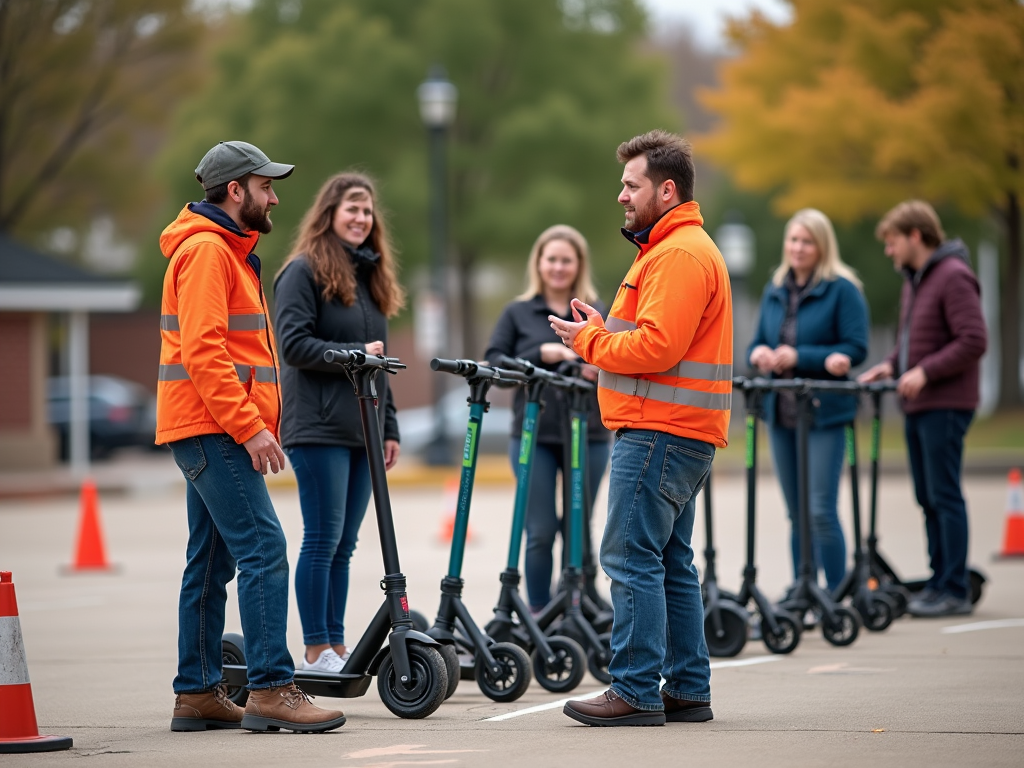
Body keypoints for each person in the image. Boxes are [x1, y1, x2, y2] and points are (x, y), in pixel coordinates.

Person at [158, 140, 345, 733]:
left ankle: (198, 692)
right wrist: (251, 430)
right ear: (235, 190)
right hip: (214, 425)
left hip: (210, 423)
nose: (275, 195)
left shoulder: (229, 252)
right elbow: (204, 352)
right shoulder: (210, 251)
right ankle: (270, 688)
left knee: (209, 563)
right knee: (265, 549)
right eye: (266, 186)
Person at [551, 130, 732, 727]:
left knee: (629, 558)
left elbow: (658, 346)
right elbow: (660, 339)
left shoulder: (677, 253)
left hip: (657, 432)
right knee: (670, 563)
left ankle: (633, 689)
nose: (621, 195)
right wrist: (604, 329)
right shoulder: (671, 249)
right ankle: (685, 688)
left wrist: (591, 342)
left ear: (666, 188)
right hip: (678, 432)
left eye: (632, 185)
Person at [274, 172, 405, 672]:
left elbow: (382, 364)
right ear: (328, 213)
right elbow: (293, 345)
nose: (360, 217)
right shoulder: (302, 271)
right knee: (322, 538)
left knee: (345, 546)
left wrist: (389, 427)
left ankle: (335, 645)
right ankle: (314, 650)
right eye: (351, 207)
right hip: (318, 427)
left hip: (362, 430)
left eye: (367, 210)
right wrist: (355, 352)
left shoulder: (370, 277)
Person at [859, 200, 987, 618]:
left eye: (893, 241)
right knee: (928, 496)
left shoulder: (953, 276)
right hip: (920, 402)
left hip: (945, 404)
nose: (889, 250)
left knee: (944, 495)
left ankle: (954, 589)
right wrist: (892, 365)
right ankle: (938, 582)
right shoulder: (918, 279)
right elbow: (916, 337)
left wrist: (926, 372)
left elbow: (973, 339)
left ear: (916, 235)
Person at [483, 225, 611, 613]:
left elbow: (620, 360)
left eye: (566, 260)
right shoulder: (518, 312)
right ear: (538, 263)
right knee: (539, 531)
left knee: (578, 528)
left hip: (587, 434)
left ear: (578, 265)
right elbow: (492, 362)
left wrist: (596, 368)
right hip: (533, 435)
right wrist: (544, 353)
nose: (558, 267)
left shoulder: (594, 311)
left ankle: (576, 605)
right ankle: (538, 612)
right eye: (551, 259)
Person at [747, 209, 869, 595]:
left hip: (823, 413)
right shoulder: (776, 287)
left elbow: (856, 347)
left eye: (807, 241)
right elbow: (756, 342)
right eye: (793, 240)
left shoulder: (842, 289)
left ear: (822, 246)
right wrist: (760, 354)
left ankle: (836, 592)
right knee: (796, 513)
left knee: (820, 510)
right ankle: (804, 587)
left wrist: (801, 357)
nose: (798, 248)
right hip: (781, 413)